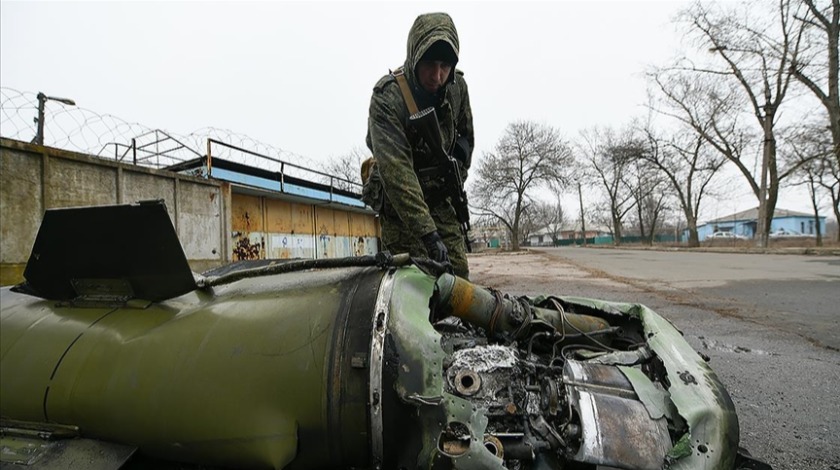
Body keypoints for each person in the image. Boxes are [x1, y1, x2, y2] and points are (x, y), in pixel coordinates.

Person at [364, 12, 474, 279]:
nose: (437, 76)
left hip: (440, 199)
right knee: (409, 285)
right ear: (414, 56)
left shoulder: (457, 87)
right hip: (402, 208)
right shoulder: (388, 98)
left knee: (458, 280)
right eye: (429, 64)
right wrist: (429, 234)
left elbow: (465, 137)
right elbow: (397, 172)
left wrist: (456, 167)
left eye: (444, 66)